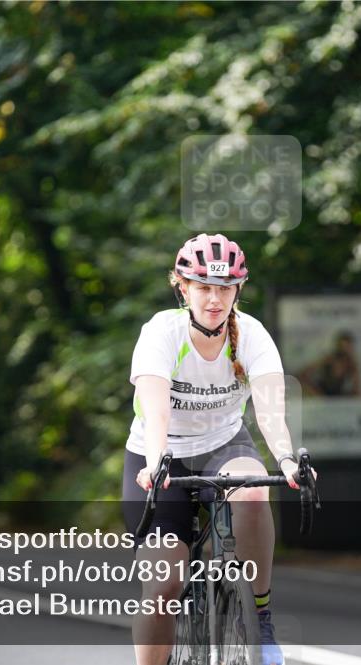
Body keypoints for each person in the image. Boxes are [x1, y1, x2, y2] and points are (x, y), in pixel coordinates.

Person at [122, 233, 316, 665]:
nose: (214, 299)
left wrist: (284, 458)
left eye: (225, 288)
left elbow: (269, 414)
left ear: (238, 290)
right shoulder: (162, 333)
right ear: (183, 287)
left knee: (251, 491)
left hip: (224, 445)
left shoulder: (251, 336)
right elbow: (157, 413)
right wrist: (155, 463)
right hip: (160, 457)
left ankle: (259, 617)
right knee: (162, 589)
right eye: (204, 288)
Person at [298, 330, 361, 397]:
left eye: (348, 348)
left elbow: (357, 390)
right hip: (322, 394)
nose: (345, 351)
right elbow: (302, 375)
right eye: (342, 348)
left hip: (336, 396)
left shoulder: (351, 364)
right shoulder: (329, 360)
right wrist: (315, 391)